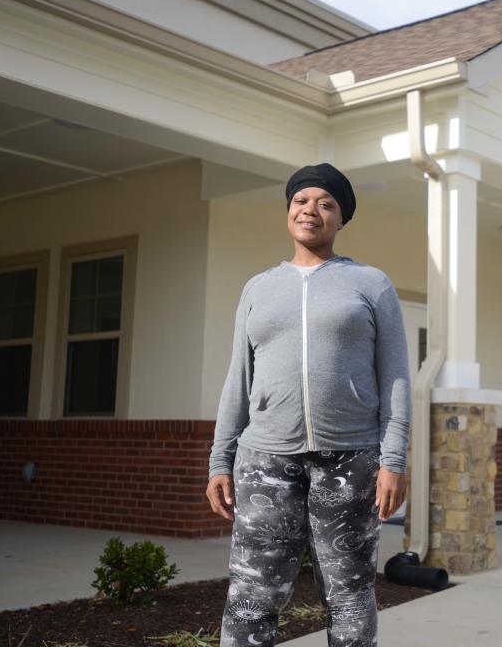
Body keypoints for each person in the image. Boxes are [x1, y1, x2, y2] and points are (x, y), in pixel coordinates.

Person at [205, 162, 411, 647]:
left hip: (352, 458)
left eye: (326, 203)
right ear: (289, 210)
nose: (311, 210)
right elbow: (239, 377)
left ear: (341, 218)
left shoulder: (371, 284)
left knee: (350, 594)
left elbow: (397, 377)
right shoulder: (258, 288)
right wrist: (221, 458)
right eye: (301, 200)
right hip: (264, 460)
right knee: (253, 595)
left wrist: (393, 459)